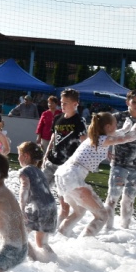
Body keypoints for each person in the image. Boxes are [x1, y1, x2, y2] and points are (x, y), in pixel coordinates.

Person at [55, 106, 136, 238]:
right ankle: (84, 243)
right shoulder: (103, 140)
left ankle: (60, 237)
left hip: (62, 175)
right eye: (115, 125)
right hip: (72, 176)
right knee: (102, 216)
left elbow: (115, 134)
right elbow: (132, 136)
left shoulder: (95, 137)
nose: (116, 127)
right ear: (108, 127)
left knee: (79, 212)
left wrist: (124, 129)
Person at [104, 90, 136, 230]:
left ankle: (125, 228)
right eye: (134, 102)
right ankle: (107, 228)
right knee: (113, 196)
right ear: (127, 102)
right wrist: (107, 148)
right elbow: (106, 134)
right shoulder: (118, 117)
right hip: (119, 162)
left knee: (129, 199)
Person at [44, 89, 87, 221]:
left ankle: (61, 225)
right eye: (61, 102)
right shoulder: (58, 118)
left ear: (75, 104)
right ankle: (41, 218)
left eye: (66, 103)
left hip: (66, 166)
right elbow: (54, 137)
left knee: (64, 201)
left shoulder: (79, 121)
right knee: (40, 190)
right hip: (52, 161)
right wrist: (47, 153)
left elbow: (85, 142)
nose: (62, 105)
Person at [16, 142, 58, 261]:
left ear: (26, 156)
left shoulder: (25, 171)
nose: (18, 158)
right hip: (51, 207)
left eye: (19, 155)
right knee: (42, 243)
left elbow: (24, 188)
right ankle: (55, 262)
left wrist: (21, 207)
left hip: (37, 208)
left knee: (20, 235)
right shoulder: (40, 172)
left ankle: (34, 260)